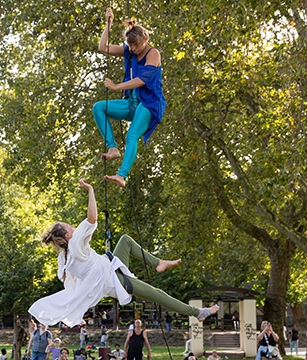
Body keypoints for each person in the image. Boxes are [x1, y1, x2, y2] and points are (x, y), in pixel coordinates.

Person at [28, 179, 219, 327]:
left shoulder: (64, 257)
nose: (72, 224)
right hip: (115, 280)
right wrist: (91, 190)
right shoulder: (76, 243)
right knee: (157, 294)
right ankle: (197, 312)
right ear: (68, 235)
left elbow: (69, 282)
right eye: (68, 225)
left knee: (125, 240)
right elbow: (92, 219)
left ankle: (158, 262)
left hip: (111, 266)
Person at [94, 7, 166, 188]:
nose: (133, 49)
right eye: (130, 45)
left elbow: (142, 80)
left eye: (137, 45)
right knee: (99, 107)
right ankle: (112, 148)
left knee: (132, 134)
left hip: (149, 104)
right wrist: (108, 24)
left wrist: (117, 86)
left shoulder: (153, 54)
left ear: (146, 39)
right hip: (132, 103)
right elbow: (103, 47)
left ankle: (121, 175)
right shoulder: (128, 51)